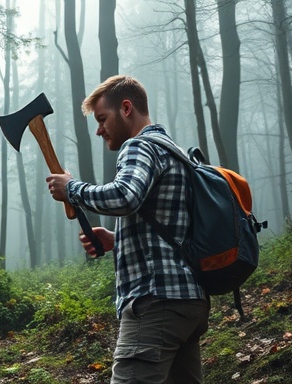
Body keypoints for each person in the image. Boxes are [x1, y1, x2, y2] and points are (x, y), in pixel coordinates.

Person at [45, 75, 210, 383]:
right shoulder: (174, 151)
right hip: (189, 303)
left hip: (155, 303)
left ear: (126, 108)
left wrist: (72, 189)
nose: (98, 129)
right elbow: (174, 228)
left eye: (102, 119)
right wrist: (116, 239)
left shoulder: (139, 146)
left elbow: (124, 196)